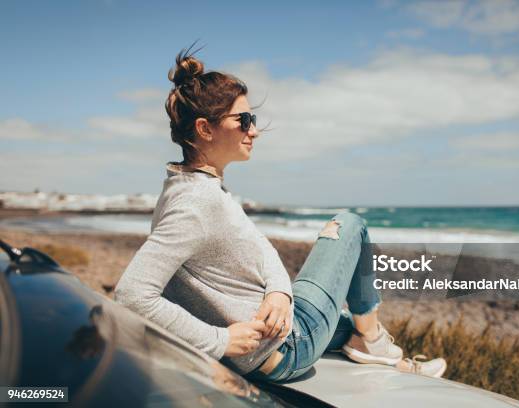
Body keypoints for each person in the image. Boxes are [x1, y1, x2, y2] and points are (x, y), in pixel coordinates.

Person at [114, 47, 446, 383]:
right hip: (285, 348)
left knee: (345, 323)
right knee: (349, 224)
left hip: (276, 332)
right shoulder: (196, 202)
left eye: (252, 120)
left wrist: (278, 291)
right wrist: (220, 341)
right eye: (242, 120)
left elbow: (262, 248)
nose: (253, 131)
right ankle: (373, 342)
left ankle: (390, 357)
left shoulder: (192, 186)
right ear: (205, 129)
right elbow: (132, 294)